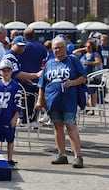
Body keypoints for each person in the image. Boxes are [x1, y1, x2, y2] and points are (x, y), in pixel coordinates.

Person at [36, 37, 86, 168]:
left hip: (69, 100)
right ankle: (62, 154)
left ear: (65, 48)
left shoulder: (72, 60)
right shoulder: (49, 63)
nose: (57, 50)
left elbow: (83, 77)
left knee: (70, 126)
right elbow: (42, 84)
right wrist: (40, 99)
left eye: (60, 47)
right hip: (53, 101)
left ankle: (78, 156)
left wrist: (72, 83)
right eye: (55, 48)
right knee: (57, 127)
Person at [0, 59, 22, 167]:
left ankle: (10, 159)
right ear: (0, 72)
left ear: (11, 71)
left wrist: (15, 117)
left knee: (10, 139)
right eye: (3, 70)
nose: (6, 72)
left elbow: (18, 104)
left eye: (8, 70)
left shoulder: (15, 86)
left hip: (9, 115)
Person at [18, 27, 47, 124]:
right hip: (36, 79)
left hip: (21, 78)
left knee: (22, 99)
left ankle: (22, 118)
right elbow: (45, 63)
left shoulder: (21, 47)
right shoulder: (41, 47)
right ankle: (33, 119)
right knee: (35, 99)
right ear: (34, 35)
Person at [73, 40, 102, 115]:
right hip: (82, 76)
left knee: (92, 93)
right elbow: (74, 53)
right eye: (87, 46)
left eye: (89, 46)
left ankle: (92, 110)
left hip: (91, 77)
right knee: (80, 92)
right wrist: (83, 49)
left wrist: (89, 63)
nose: (87, 48)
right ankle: (87, 106)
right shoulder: (84, 55)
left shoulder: (95, 54)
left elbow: (98, 62)